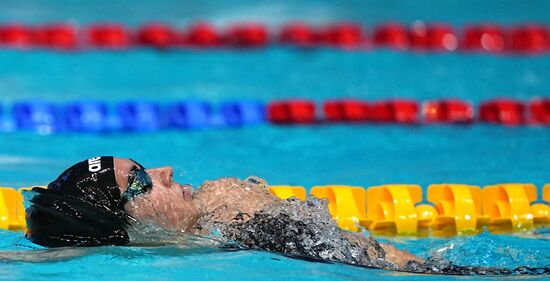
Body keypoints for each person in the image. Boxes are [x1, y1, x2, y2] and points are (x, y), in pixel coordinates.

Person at [24, 156, 549, 276]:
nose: (164, 169)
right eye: (140, 181)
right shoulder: (244, 230)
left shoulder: (222, 231)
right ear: (123, 228)